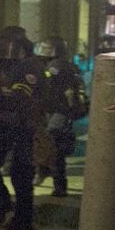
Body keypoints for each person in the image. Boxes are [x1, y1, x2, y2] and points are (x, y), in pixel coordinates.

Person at [0, 25, 45, 230]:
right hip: (0, 124)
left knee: (21, 175)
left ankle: (23, 219)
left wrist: (1, 90)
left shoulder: (29, 66)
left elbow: (22, 98)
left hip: (23, 127)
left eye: (4, 42)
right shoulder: (3, 64)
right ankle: (3, 201)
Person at [34, 36, 87, 197]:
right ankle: (49, 177)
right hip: (61, 111)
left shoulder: (55, 66)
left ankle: (57, 184)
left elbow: (45, 80)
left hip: (59, 111)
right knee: (52, 146)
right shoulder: (68, 64)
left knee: (53, 146)